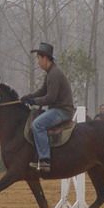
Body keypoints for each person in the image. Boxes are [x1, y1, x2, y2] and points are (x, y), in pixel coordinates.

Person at [20, 42, 75, 172]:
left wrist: (33, 101)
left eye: (39, 58)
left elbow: (50, 98)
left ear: (45, 58)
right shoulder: (50, 73)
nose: (38, 62)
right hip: (57, 109)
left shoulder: (54, 74)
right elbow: (42, 91)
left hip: (62, 111)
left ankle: (45, 160)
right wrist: (28, 97)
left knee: (37, 125)